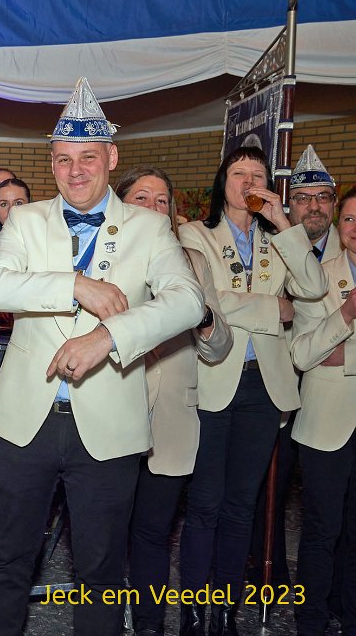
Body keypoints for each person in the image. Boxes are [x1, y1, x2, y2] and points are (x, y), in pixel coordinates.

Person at [0, 78, 204, 636]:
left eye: (88, 157)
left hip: (109, 426)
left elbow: (188, 301)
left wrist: (109, 337)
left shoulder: (150, 227)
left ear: (111, 158)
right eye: (63, 159)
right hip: (22, 422)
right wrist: (75, 285)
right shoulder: (26, 220)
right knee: (8, 562)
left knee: (101, 573)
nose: (75, 170)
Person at [176, 145, 328, 635]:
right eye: (238, 173)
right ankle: (193, 612)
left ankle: (225, 610)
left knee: (242, 505)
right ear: (223, 182)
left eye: (257, 175)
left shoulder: (278, 239)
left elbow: (313, 288)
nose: (247, 182)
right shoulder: (195, 234)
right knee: (205, 504)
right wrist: (271, 308)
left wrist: (283, 222)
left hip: (265, 386)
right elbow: (205, 300)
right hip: (213, 380)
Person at [114, 166, 234, 636]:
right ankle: (106, 612)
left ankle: (149, 625)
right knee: (106, 531)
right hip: (112, 409)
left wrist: (203, 317)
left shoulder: (193, 262)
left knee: (152, 531)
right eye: (141, 197)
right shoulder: (101, 256)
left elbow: (218, 347)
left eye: (162, 200)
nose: (153, 206)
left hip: (172, 418)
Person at [248, 144, 342, 590]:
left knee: (330, 500)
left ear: (334, 204)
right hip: (281, 381)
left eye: (323, 197)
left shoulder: (349, 244)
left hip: (333, 386)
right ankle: (268, 574)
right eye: (303, 198)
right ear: (289, 205)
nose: (314, 206)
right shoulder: (271, 245)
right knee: (272, 484)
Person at [287, 187, 356, 636]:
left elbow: (328, 354)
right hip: (326, 424)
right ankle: (310, 619)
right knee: (321, 529)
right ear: (337, 224)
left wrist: (343, 357)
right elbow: (303, 353)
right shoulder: (317, 277)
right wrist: (347, 313)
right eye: (349, 219)